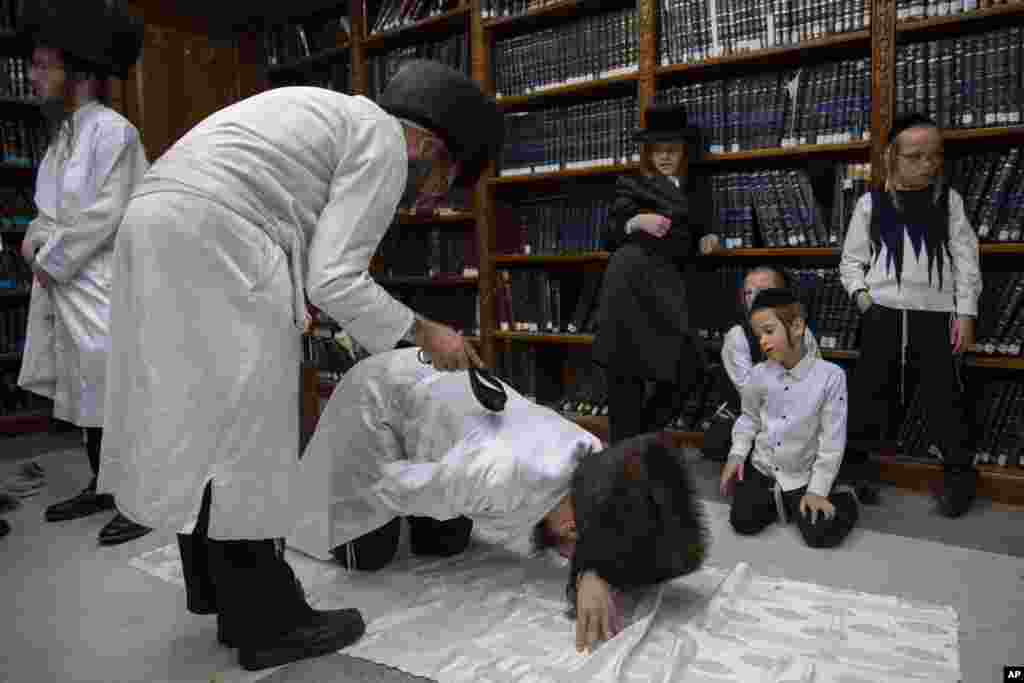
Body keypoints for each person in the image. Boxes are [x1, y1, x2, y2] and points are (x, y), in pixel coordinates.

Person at [95, 60, 503, 671]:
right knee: (248, 443)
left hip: (155, 224)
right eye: (445, 178)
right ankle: (269, 622)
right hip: (218, 236)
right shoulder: (386, 144)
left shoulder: (332, 115)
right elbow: (335, 276)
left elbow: (313, 260)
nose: (431, 196)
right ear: (428, 145)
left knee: (200, 428)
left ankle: (223, 595)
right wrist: (424, 333)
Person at [293, 348, 708, 655]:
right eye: (577, 551)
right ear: (573, 529)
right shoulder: (496, 476)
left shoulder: (593, 455)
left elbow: (624, 502)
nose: (569, 557)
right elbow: (388, 485)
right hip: (378, 397)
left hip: (444, 411)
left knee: (445, 543)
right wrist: (413, 496)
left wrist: (591, 571)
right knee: (365, 555)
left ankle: (431, 491)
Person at [15, 0, 150, 545]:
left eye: (44, 65)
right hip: (69, 284)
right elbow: (49, 215)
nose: (33, 74)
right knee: (86, 390)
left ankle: (140, 495)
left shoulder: (113, 131)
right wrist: (37, 241)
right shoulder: (65, 135)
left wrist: (46, 253)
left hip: (104, 283)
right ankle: (104, 483)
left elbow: (108, 212)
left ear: (80, 72)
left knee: (116, 391)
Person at [839, 113, 982, 518]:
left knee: (946, 398)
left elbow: (967, 261)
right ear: (891, 157)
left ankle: (957, 476)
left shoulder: (949, 201)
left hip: (936, 317)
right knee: (870, 395)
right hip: (882, 315)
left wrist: (966, 313)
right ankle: (858, 471)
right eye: (915, 156)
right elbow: (851, 263)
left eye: (934, 155)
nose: (927, 164)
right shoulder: (870, 204)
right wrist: (866, 301)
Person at [592, 103, 721, 445]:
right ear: (648, 153)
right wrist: (637, 222)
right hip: (627, 285)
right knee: (624, 375)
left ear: (683, 151)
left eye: (672, 150)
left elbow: (700, 228)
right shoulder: (632, 185)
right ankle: (624, 456)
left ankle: (638, 442)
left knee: (688, 369)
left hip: (666, 291)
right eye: (657, 150)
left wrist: (707, 237)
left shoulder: (696, 189)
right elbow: (609, 235)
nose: (665, 157)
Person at [717, 266, 881, 502]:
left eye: (763, 291)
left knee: (835, 427)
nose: (754, 298)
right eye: (748, 293)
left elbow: (816, 378)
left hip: (801, 415)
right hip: (762, 414)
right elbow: (751, 397)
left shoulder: (804, 335)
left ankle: (837, 485)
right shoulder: (738, 336)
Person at [720, 288, 859, 548]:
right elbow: (749, 419)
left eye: (769, 331)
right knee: (742, 522)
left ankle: (843, 496)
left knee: (820, 535)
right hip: (764, 468)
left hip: (802, 475)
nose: (762, 341)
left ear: (796, 327)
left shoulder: (831, 376)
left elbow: (832, 439)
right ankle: (779, 501)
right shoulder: (758, 374)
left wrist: (817, 490)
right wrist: (736, 455)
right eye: (758, 334)